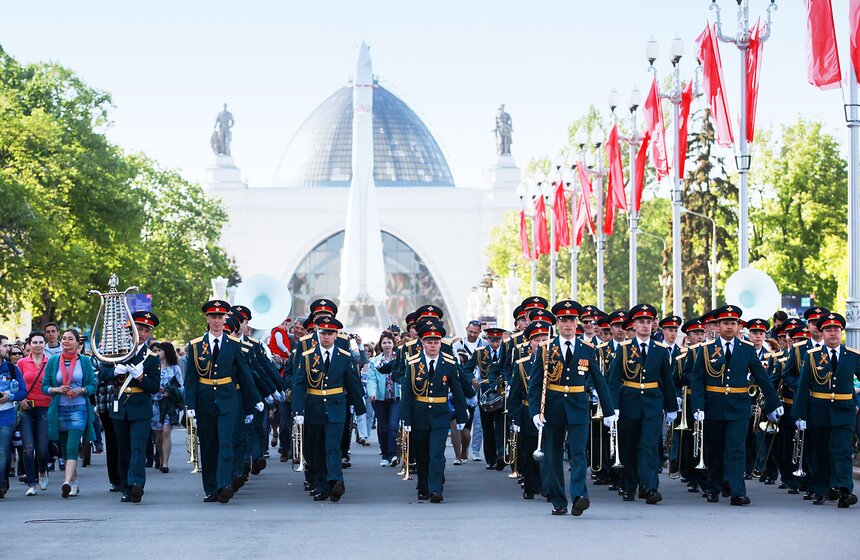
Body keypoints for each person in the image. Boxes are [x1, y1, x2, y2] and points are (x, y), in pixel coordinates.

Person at [529, 300, 616, 517]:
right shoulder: (546, 349)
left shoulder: (587, 349)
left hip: (578, 405)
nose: (568, 324)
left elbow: (599, 380)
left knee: (578, 452)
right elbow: (535, 384)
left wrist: (609, 410)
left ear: (576, 323)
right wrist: (535, 413)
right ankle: (558, 500)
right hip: (553, 407)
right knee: (554, 455)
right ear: (557, 323)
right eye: (563, 320)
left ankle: (578, 495)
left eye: (571, 320)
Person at [690, 305, 783, 506]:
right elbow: (697, 380)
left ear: (739, 326)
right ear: (719, 326)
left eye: (733, 323)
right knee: (714, 449)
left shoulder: (747, 349)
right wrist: (698, 407)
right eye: (725, 323)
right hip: (713, 406)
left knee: (736, 449)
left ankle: (737, 491)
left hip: (739, 407)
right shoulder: (706, 349)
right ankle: (713, 488)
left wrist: (774, 403)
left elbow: (762, 377)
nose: (730, 327)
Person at [185, 300, 262, 503]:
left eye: (220, 317)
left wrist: (254, 399)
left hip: (228, 400)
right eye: (213, 317)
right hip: (204, 399)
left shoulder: (234, 344)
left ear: (225, 319)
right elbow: (191, 379)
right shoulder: (195, 346)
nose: (217, 321)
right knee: (209, 445)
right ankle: (210, 488)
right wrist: (190, 405)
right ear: (207, 319)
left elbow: (244, 374)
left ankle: (224, 485)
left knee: (226, 443)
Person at [607, 304, 679, 505]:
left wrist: (671, 406)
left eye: (649, 322)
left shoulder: (661, 350)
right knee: (629, 446)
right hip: (629, 402)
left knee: (648, 446)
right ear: (634, 325)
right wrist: (613, 407)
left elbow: (667, 380)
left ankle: (650, 487)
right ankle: (629, 486)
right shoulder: (624, 349)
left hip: (652, 403)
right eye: (641, 322)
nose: (645, 325)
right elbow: (614, 380)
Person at [293, 314, 366, 502]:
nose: (326, 337)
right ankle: (321, 485)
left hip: (336, 407)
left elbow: (353, 383)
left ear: (336, 336)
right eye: (323, 332)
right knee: (316, 448)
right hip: (314, 407)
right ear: (317, 333)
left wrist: (360, 410)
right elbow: (300, 384)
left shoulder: (344, 357)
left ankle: (335, 481)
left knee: (332, 446)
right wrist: (298, 411)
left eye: (330, 333)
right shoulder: (308, 357)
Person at [793, 313, 859, 508]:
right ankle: (821, 490)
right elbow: (804, 387)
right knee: (820, 452)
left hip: (845, 411)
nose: (832, 333)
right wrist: (800, 415)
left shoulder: (853, 356)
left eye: (836, 330)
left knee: (843, 451)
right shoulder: (813, 356)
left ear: (841, 332)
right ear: (822, 333)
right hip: (820, 411)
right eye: (828, 330)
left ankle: (845, 490)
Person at [96, 311, 161, 503]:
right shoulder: (118, 352)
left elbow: (154, 387)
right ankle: (125, 487)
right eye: (138, 329)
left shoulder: (151, 358)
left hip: (140, 406)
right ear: (130, 330)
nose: (141, 333)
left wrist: (141, 377)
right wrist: (114, 370)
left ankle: (136, 485)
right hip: (120, 406)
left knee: (138, 447)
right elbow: (102, 374)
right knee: (123, 449)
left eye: (145, 330)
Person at [400, 319, 468, 503]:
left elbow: (457, 390)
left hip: (440, 414)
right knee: (422, 454)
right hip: (419, 414)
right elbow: (407, 393)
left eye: (436, 342)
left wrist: (462, 415)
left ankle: (436, 488)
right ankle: (423, 487)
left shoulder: (448, 362)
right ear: (422, 343)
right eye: (429, 342)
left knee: (437, 453)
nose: (433, 346)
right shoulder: (413, 363)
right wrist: (405, 419)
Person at [43, 328, 97, 498]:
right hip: (59, 409)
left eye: (70, 339)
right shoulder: (53, 361)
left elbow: (92, 385)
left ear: (77, 342)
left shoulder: (85, 362)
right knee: (65, 449)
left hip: (79, 409)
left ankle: (66, 482)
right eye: (64, 338)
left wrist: (81, 390)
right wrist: (56, 389)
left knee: (73, 445)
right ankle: (73, 482)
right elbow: (45, 387)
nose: (66, 341)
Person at [508, 320, 550, 499]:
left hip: (550, 413)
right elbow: (515, 395)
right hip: (528, 413)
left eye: (544, 338)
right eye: (536, 339)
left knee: (549, 451)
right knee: (529, 450)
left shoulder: (556, 361)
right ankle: (530, 484)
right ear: (529, 343)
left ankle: (547, 486)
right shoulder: (522, 364)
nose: (540, 343)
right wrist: (515, 419)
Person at [17, 331, 51, 495]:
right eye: (35, 342)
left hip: (45, 407)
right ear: (29, 345)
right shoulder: (22, 363)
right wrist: (20, 400)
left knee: (43, 448)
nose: (38, 345)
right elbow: (15, 386)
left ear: (44, 344)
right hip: (26, 408)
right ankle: (31, 482)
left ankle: (42, 471)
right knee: (28, 447)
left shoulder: (50, 362)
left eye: (40, 342)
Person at [0, 334, 28, 498]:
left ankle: (1, 484)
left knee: (2, 451)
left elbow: (23, 391)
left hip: (6, 414)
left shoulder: (12, 368)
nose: (8, 349)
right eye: (4, 346)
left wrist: (9, 396)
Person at [367, 331, 401, 466]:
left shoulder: (399, 359)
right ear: (380, 345)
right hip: (380, 398)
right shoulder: (375, 361)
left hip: (396, 397)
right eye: (384, 343)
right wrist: (372, 393)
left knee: (393, 425)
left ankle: (393, 454)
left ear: (393, 344)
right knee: (383, 427)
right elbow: (372, 379)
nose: (387, 345)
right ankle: (385, 455)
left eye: (389, 342)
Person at [152, 342, 184, 474]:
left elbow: (181, 387)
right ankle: (160, 457)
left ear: (166, 352)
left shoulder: (175, 368)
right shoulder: (153, 367)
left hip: (169, 404)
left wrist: (169, 391)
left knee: (166, 431)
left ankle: (165, 463)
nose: (157, 352)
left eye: (160, 350)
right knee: (158, 435)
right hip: (155, 403)